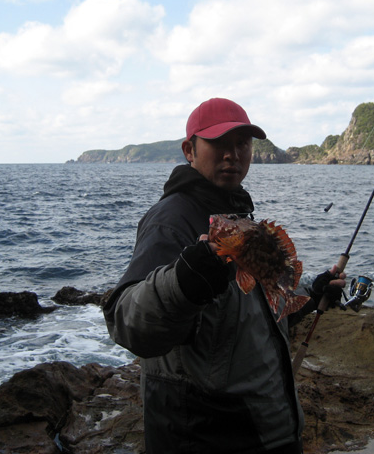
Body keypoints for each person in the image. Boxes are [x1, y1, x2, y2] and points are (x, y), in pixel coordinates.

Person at [104, 97, 346, 454]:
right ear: (190, 150)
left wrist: (312, 292)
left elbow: (255, 316)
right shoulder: (172, 220)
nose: (233, 154)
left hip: (271, 431)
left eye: (242, 144)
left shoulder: (237, 215)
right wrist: (184, 283)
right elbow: (127, 322)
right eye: (219, 143)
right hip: (208, 436)